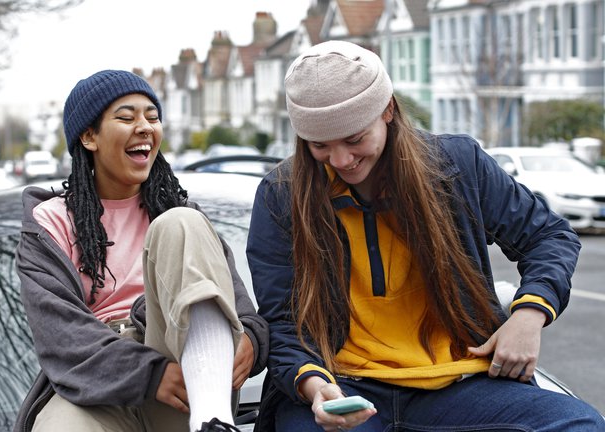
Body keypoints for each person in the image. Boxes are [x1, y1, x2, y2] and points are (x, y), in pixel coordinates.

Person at [246, 40, 605, 431]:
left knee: (581, 424)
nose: (340, 160)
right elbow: (281, 321)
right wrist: (315, 389)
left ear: (388, 110)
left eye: (354, 139)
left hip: (461, 385)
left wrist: (529, 314)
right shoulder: (281, 194)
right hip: (340, 386)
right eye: (319, 146)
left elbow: (549, 236)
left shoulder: (457, 166)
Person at [13, 70, 268, 432]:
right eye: (126, 117)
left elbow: (243, 311)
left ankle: (213, 422)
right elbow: (60, 335)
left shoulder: (182, 217)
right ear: (89, 136)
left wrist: (252, 343)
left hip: (184, 375)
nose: (146, 126)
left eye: (152, 116)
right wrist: (151, 374)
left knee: (179, 222)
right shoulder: (50, 223)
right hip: (97, 386)